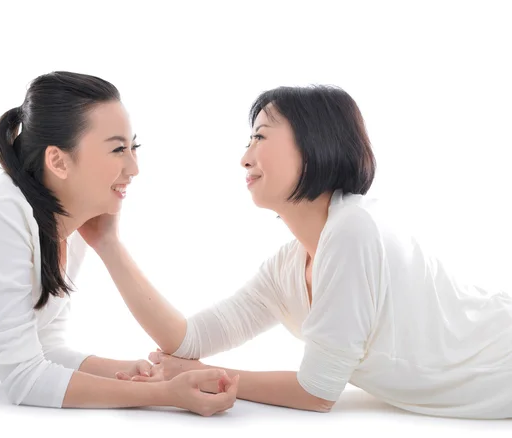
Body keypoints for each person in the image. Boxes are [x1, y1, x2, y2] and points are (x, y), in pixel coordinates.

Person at [111, 84, 512, 420]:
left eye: (260, 137)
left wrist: (199, 375)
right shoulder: (288, 265)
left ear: (313, 145)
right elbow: (187, 339)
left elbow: (317, 392)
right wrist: (107, 243)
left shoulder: (352, 229)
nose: (245, 157)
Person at [0, 71, 238, 416]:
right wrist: (166, 395)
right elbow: (24, 379)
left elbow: (43, 346)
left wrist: (139, 374)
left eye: (134, 147)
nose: (134, 167)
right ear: (57, 161)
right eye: (118, 149)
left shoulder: (65, 219)